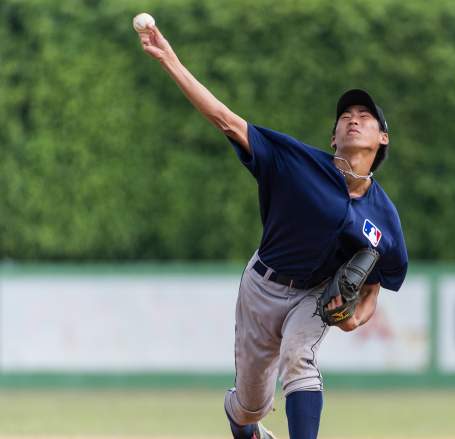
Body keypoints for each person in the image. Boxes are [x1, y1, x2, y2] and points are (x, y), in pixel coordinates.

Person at [137, 24, 408, 439]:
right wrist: (169, 59)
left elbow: (373, 289)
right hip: (261, 286)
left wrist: (355, 320)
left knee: (300, 357)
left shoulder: (385, 219)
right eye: (345, 117)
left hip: (312, 296)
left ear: (382, 138)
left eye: (365, 117)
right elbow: (226, 121)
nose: (353, 120)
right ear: (333, 136)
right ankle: (245, 423)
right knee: (250, 406)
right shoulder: (297, 163)